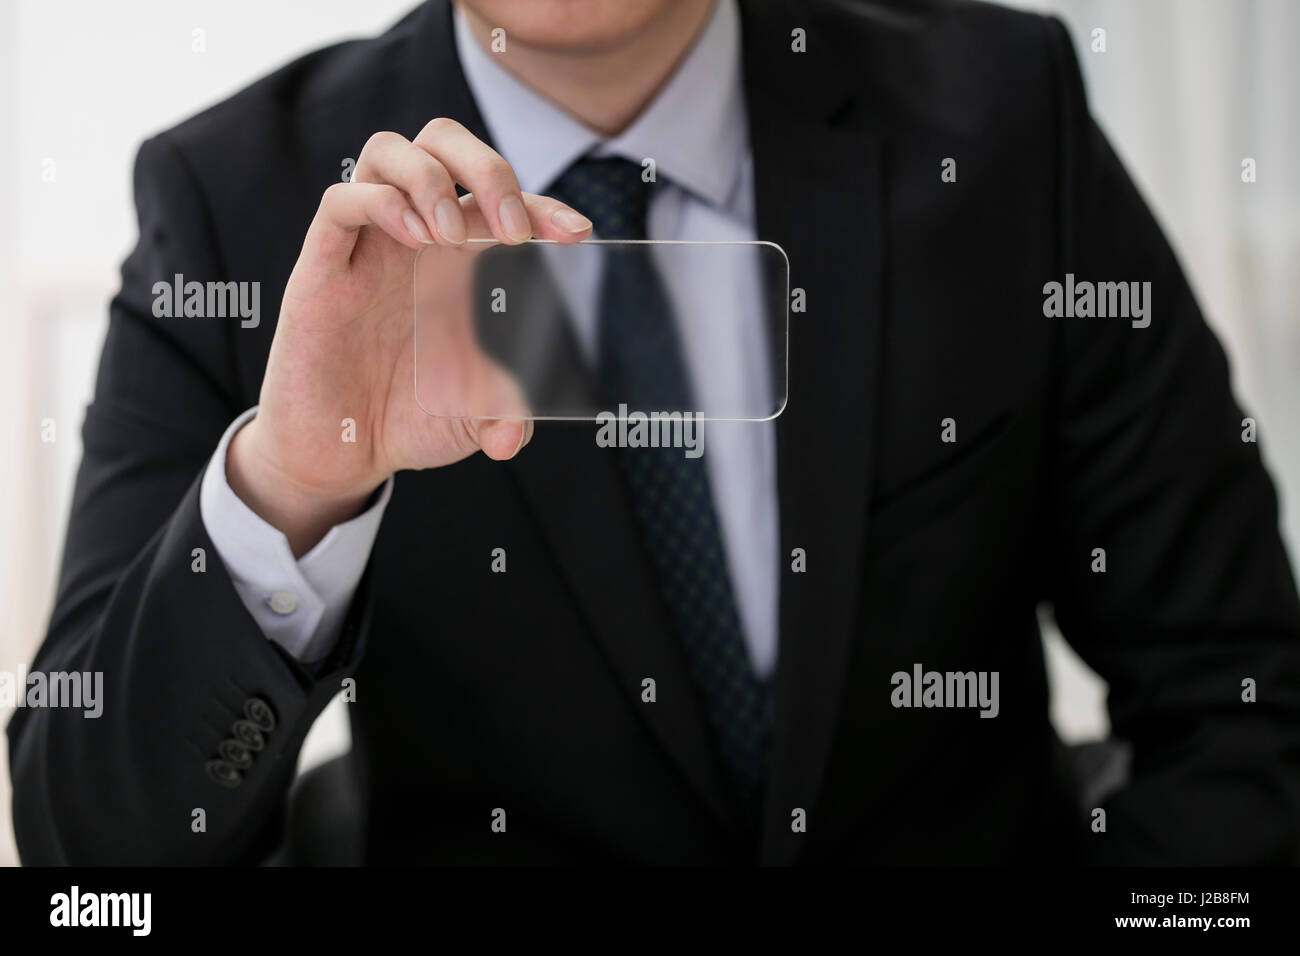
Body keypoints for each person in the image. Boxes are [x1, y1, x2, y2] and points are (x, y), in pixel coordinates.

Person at [9, 0, 1300, 865]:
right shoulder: (243, 195)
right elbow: (92, 854)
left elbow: (1240, 697)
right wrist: (294, 483)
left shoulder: (997, 118)